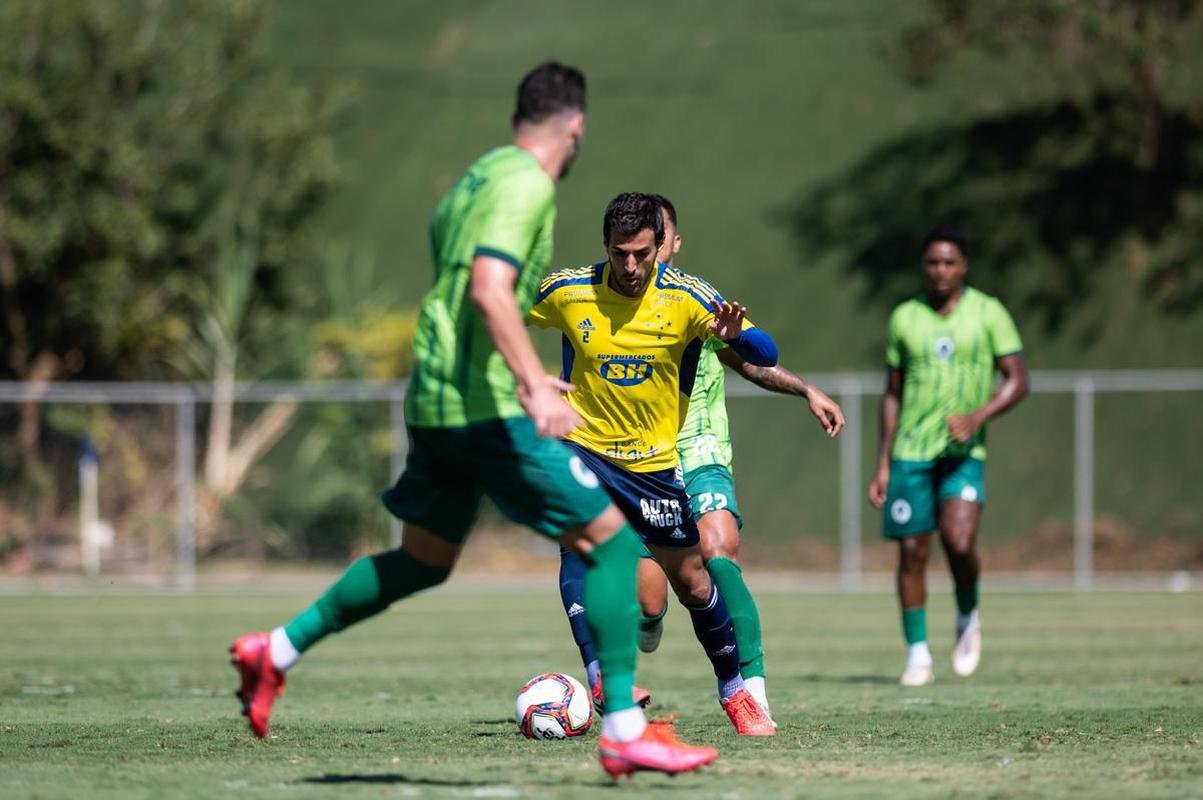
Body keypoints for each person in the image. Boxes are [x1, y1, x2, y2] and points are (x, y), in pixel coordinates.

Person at [229, 62, 718, 780]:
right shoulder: (526, 186)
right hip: (485, 411)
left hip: (437, 397)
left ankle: (273, 652)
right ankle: (622, 733)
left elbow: (463, 294)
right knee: (614, 547)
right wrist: (531, 385)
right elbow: (491, 290)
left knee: (421, 562)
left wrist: (514, 368)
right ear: (574, 128)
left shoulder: (475, 180)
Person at [530, 192, 778, 736]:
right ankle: (598, 677)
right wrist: (522, 379)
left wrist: (740, 337)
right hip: (585, 449)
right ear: (606, 246)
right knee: (580, 546)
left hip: (653, 467)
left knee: (692, 583)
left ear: (658, 245)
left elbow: (766, 354)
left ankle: (735, 691)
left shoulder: (686, 297)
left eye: (643, 253)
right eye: (622, 254)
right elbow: (496, 316)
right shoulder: (568, 291)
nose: (632, 266)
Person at [631, 194, 846, 723]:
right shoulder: (616, 304)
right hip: (640, 458)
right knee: (650, 603)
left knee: (717, 549)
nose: (647, 254)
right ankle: (647, 621)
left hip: (701, 448)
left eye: (659, 240)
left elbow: (749, 359)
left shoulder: (698, 300)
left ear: (672, 244)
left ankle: (752, 691)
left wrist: (805, 390)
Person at [867, 226, 1029, 687]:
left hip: (962, 453)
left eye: (949, 262)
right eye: (932, 263)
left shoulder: (988, 313)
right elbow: (892, 394)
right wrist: (882, 460)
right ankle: (918, 653)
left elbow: (1018, 379)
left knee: (959, 543)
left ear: (964, 266)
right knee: (912, 553)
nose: (940, 271)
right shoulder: (905, 318)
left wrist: (978, 416)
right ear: (924, 267)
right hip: (910, 454)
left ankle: (966, 612)